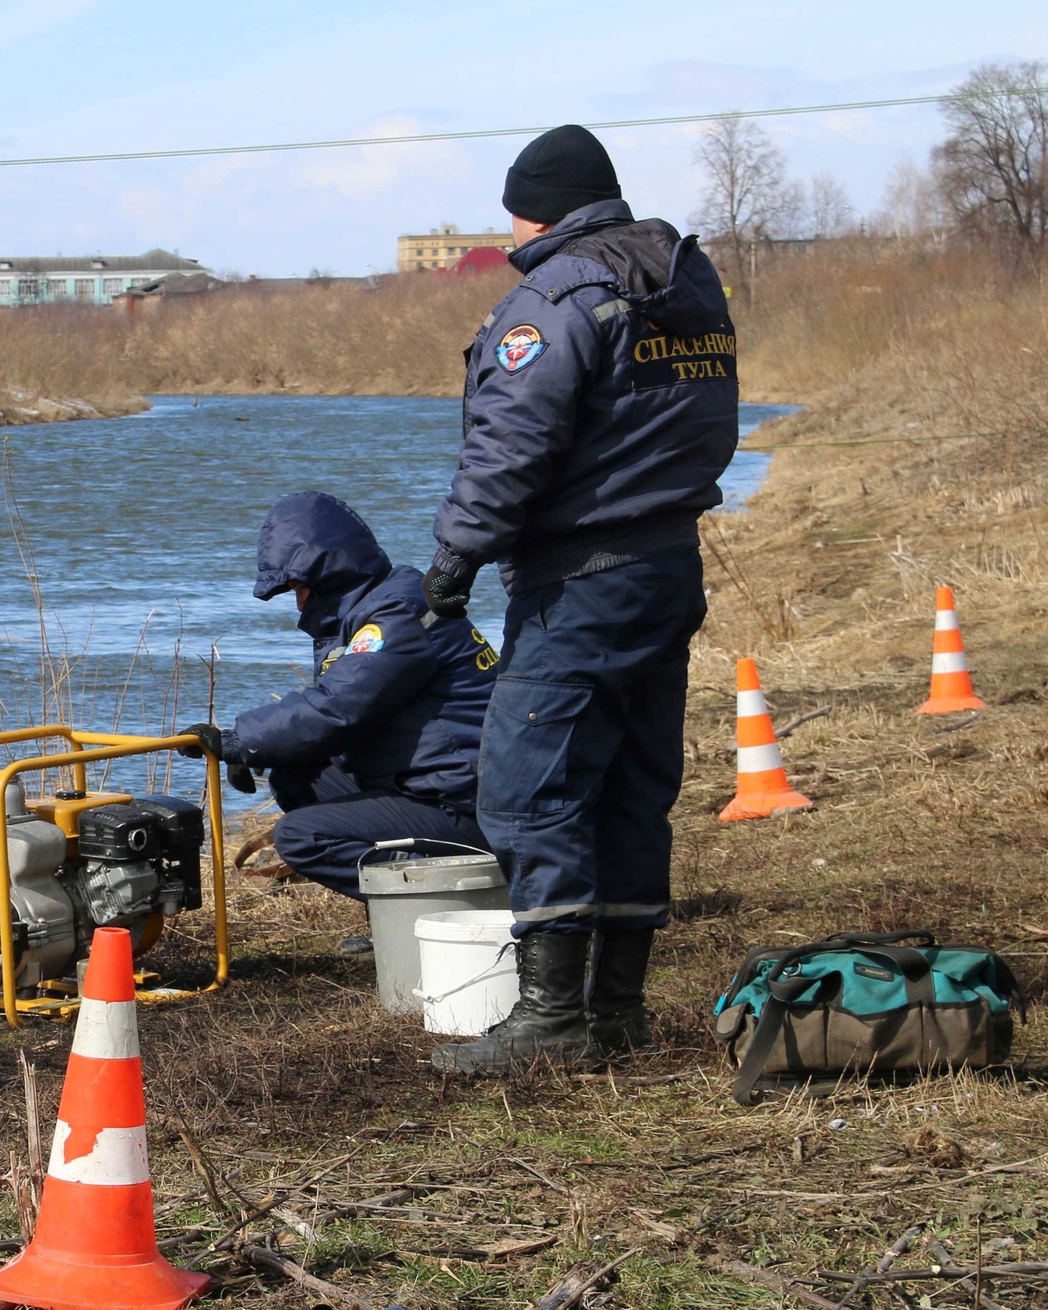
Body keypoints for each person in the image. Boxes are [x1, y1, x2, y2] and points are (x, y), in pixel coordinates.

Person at [416, 124, 741, 1073]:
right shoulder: (682, 280)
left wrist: (453, 560)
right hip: (667, 561)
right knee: (631, 788)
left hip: (580, 582)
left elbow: (511, 448)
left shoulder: (552, 300)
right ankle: (618, 1010)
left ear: (534, 207)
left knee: (525, 789)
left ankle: (554, 1016)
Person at [186, 491, 494, 907]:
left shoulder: (396, 616)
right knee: (295, 773)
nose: (297, 603)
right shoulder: (383, 603)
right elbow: (343, 715)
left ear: (327, 575)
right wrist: (265, 750)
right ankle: (393, 909)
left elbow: (337, 709)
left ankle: (416, 909)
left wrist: (238, 740)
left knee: (300, 837)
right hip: (438, 783)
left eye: (298, 587)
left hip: (468, 803)